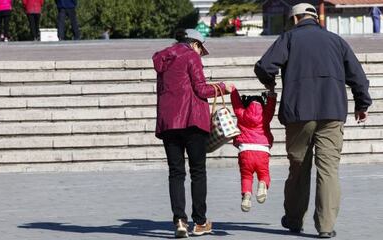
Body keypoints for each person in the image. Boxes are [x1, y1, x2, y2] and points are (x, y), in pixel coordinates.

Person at [254, 3, 372, 238]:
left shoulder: (289, 38)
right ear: (314, 18)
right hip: (332, 111)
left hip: (299, 112)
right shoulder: (336, 41)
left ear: (295, 19)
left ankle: (294, 219)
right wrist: (362, 104)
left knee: (299, 167)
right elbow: (358, 76)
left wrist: (270, 82)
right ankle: (326, 227)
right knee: (328, 169)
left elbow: (264, 66)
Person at [152, 29, 234, 238]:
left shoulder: (163, 57)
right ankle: (199, 222)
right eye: (200, 48)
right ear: (195, 44)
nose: (200, 52)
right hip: (193, 122)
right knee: (198, 172)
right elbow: (201, 89)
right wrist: (223, 87)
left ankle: (179, 221)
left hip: (169, 123)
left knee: (176, 173)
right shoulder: (191, 56)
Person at [230, 86, 277, 212]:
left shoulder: (241, 113)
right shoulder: (265, 115)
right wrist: (271, 93)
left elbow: (236, 103)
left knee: (246, 176)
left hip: (245, 150)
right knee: (264, 174)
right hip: (262, 151)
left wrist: (234, 90)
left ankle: (246, 196)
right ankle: (262, 185)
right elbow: (271, 107)